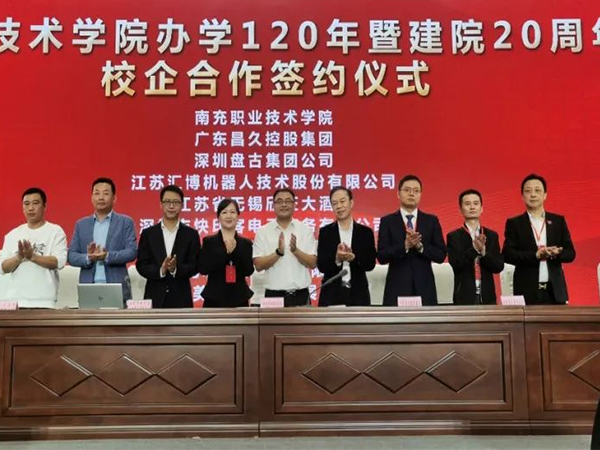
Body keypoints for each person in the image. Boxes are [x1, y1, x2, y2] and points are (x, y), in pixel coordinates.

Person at [502, 174, 576, 305]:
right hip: (527, 290)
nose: (533, 195)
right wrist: (535, 255)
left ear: (545, 195)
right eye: (528, 191)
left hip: (555, 292)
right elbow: (507, 255)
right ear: (522, 196)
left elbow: (570, 253)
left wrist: (556, 253)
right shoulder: (515, 223)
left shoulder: (558, 221)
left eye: (537, 190)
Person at [377, 174, 446, 306]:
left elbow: (441, 255)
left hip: (425, 288)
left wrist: (421, 247)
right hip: (397, 288)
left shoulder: (431, 221)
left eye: (416, 191)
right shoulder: (387, 221)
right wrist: (405, 246)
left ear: (420, 195)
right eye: (407, 190)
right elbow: (381, 256)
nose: (411, 194)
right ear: (398, 194)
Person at [68, 178, 137, 301]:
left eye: (105, 193)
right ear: (91, 197)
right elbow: (71, 256)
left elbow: (131, 252)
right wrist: (89, 257)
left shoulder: (125, 222)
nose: (100, 197)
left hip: (117, 285)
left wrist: (107, 256)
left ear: (114, 198)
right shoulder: (81, 224)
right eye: (97, 193)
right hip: (88, 286)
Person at [0, 188, 67, 308]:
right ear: (23, 208)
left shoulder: (55, 231)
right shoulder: (12, 235)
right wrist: (19, 257)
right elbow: (3, 267)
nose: (30, 208)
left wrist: (33, 257)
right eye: (26, 204)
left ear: (44, 206)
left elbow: (59, 262)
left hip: (45, 302)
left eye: (35, 203)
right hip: (15, 302)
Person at [136, 185, 201, 308]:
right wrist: (161, 270)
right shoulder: (148, 234)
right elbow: (141, 265)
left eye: (176, 202)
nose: (171, 206)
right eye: (167, 202)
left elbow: (195, 265)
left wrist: (175, 269)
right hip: (154, 297)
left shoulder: (191, 234)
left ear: (182, 205)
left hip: (181, 298)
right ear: (161, 204)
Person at [253, 188, 317, 307]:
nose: (284, 204)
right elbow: (258, 265)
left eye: (288, 201)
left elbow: (313, 263)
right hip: (273, 297)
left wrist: (296, 251)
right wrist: (278, 253)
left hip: (300, 295)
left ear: (294, 204)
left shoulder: (305, 230)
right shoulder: (263, 232)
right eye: (279, 201)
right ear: (273, 205)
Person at [317, 187, 376, 306]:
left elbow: (370, 264)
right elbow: (321, 266)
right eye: (335, 203)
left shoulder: (365, 232)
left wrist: (354, 258)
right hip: (331, 294)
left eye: (342, 201)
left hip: (358, 293)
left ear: (351, 203)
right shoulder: (325, 232)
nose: (339, 206)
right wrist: (337, 259)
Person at [446, 189, 504, 305]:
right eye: (467, 204)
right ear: (460, 209)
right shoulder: (454, 236)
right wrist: (474, 250)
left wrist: (483, 253)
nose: (472, 207)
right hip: (464, 296)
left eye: (476, 203)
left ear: (481, 208)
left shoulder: (491, 235)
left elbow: (498, 266)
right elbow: (456, 264)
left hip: (488, 296)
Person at [199, 199, 254, 307]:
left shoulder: (245, 243)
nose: (229, 216)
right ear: (218, 217)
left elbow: (248, 270)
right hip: (213, 298)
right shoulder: (209, 242)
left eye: (232, 212)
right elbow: (203, 269)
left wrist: (234, 253)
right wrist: (226, 253)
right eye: (224, 212)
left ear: (238, 216)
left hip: (239, 298)